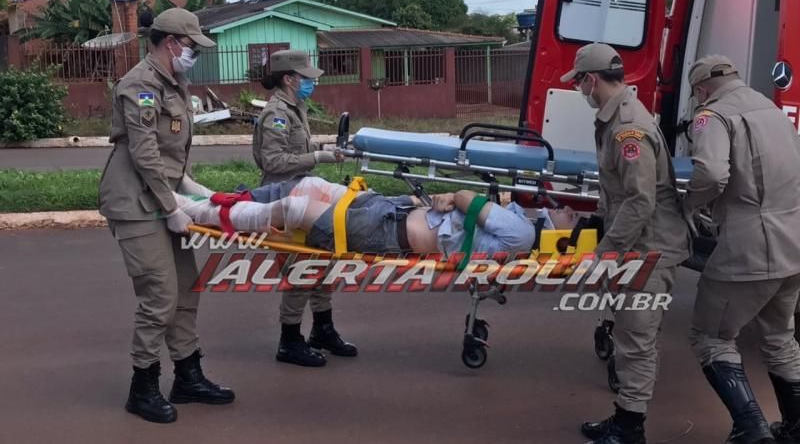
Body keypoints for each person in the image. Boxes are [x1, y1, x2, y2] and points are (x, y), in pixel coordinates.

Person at [98, 8, 234, 424]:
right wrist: (173, 206)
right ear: (171, 42)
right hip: (136, 204)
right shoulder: (139, 83)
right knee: (159, 296)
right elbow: (143, 153)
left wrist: (194, 188)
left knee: (186, 289)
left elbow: (171, 153)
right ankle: (142, 386)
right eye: (191, 46)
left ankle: (188, 376)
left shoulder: (173, 80)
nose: (194, 53)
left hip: (163, 197)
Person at [560, 42, 689, 444]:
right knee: (632, 336)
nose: (580, 89)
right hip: (640, 245)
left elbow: (640, 200)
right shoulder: (618, 119)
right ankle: (626, 420)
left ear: (591, 79)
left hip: (648, 248)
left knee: (636, 340)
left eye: (579, 81)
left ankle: (630, 429)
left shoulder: (627, 128)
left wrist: (605, 253)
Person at [686, 55, 800, 444]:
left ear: (701, 90)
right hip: (793, 245)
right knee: (779, 338)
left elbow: (712, 174)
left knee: (711, 335)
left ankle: (751, 430)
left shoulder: (712, 116)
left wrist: (688, 205)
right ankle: (796, 428)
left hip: (750, 248)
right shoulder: (772, 110)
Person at [169, 176, 580, 256]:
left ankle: (195, 211)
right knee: (309, 184)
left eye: (572, 217)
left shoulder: (524, 236)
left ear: (563, 237)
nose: (565, 208)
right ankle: (218, 198)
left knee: (295, 208)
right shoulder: (522, 223)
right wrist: (454, 200)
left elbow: (470, 201)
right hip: (393, 211)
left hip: (386, 233)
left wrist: (455, 195)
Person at [253, 50, 353, 368]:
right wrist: (318, 158)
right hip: (283, 199)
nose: (311, 82)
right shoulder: (276, 114)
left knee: (323, 260)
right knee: (299, 268)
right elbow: (274, 161)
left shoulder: (298, 107)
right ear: (288, 78)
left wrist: (324, 151)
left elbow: (300, 149)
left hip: (302, 193)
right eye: (306, 77)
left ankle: (323, 329)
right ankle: (290, 340)